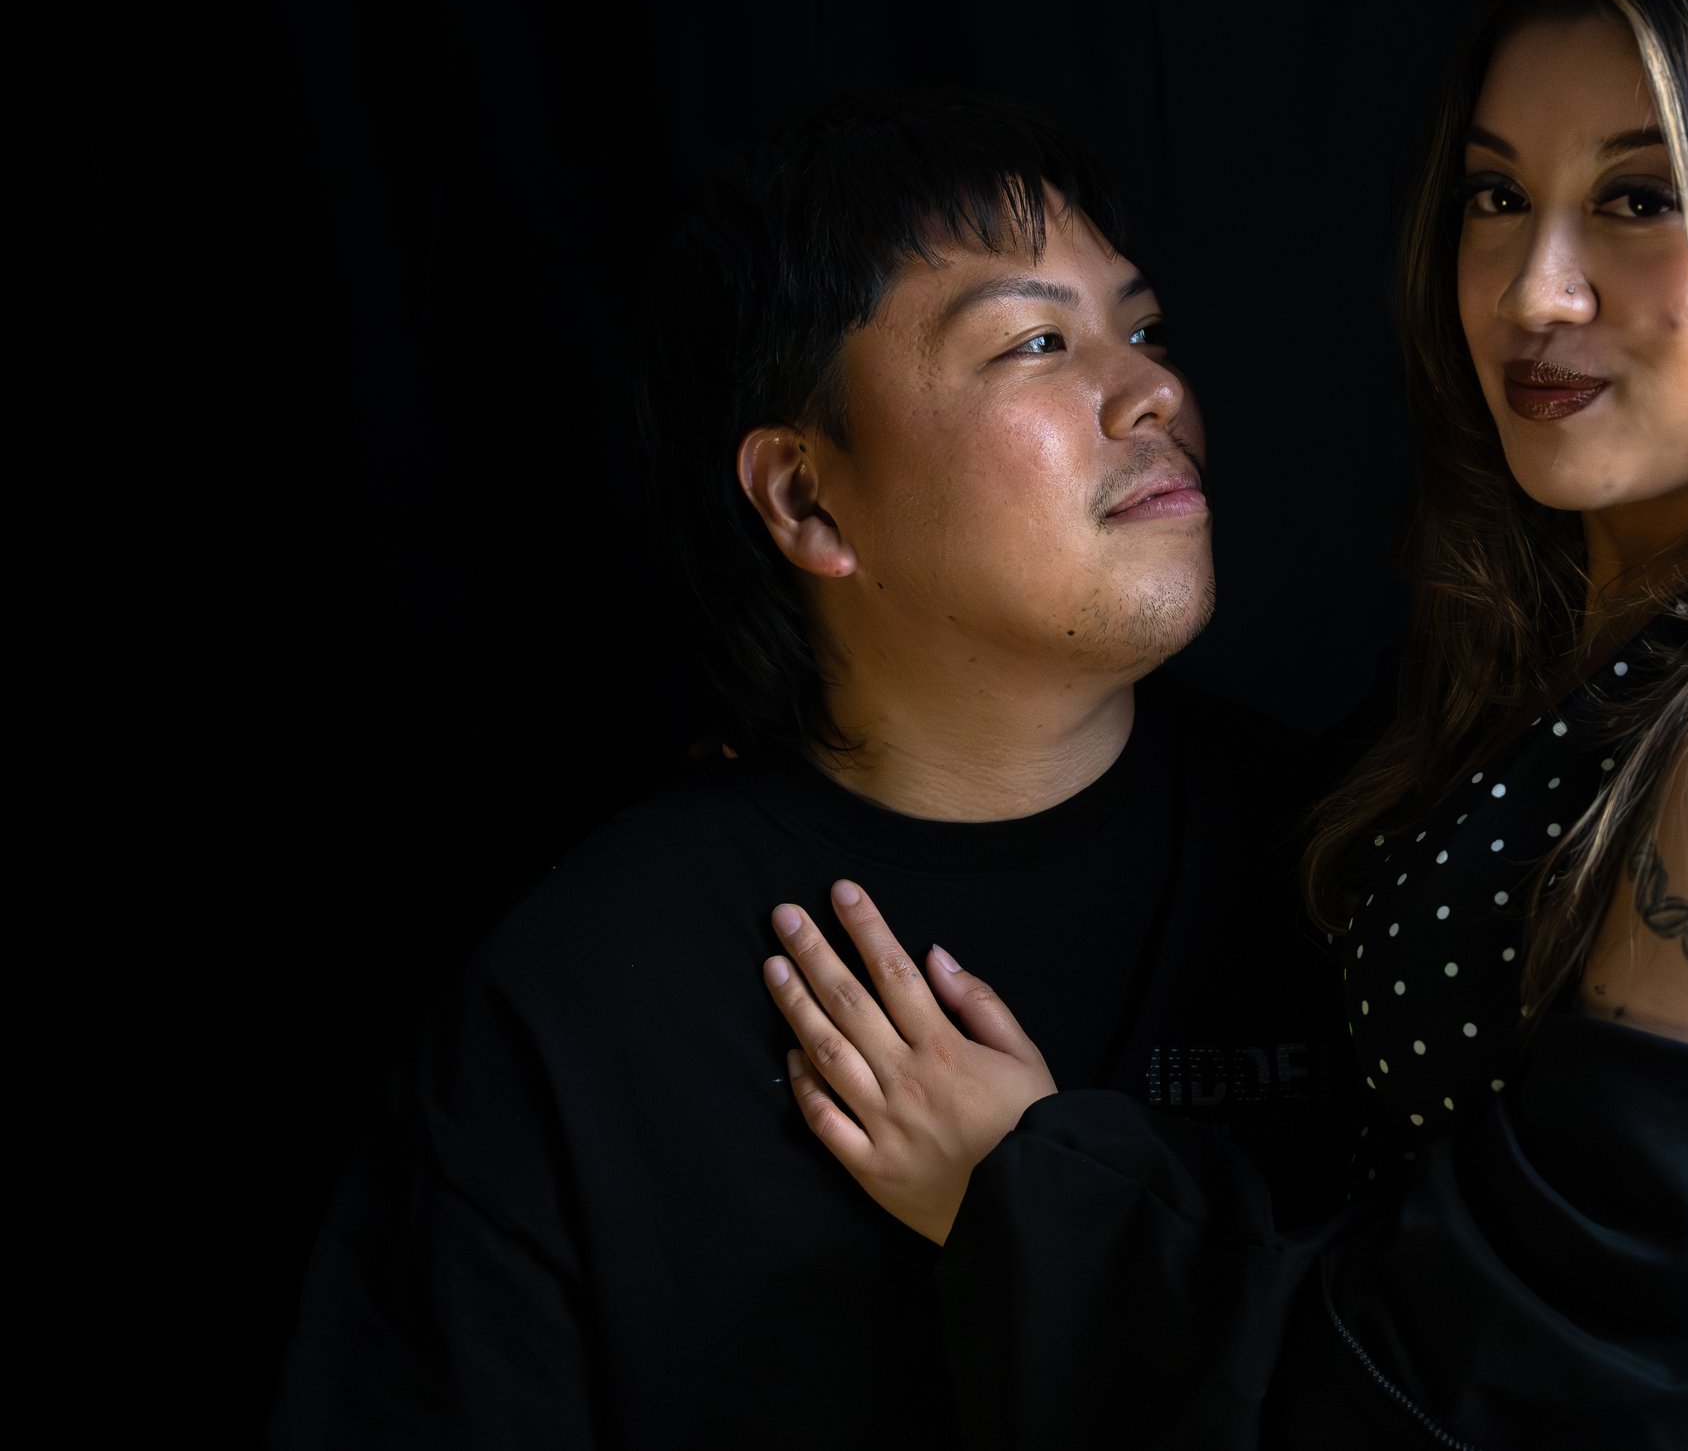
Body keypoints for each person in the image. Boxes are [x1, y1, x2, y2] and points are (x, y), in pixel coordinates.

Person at [757, 0, 1688, 1449]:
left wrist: (1028, 1186)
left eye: (1642, 200)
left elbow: (1526, 1410)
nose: (1531, 291)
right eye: (1499, 200)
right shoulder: (1566, 651)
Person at [265, 91, 1353, 1449]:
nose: (1155, 391)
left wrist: (1044, 1198)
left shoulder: (1360, 876)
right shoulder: (580, 1007)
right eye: (1034, 342)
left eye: (1139, 330)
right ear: (805, 498)